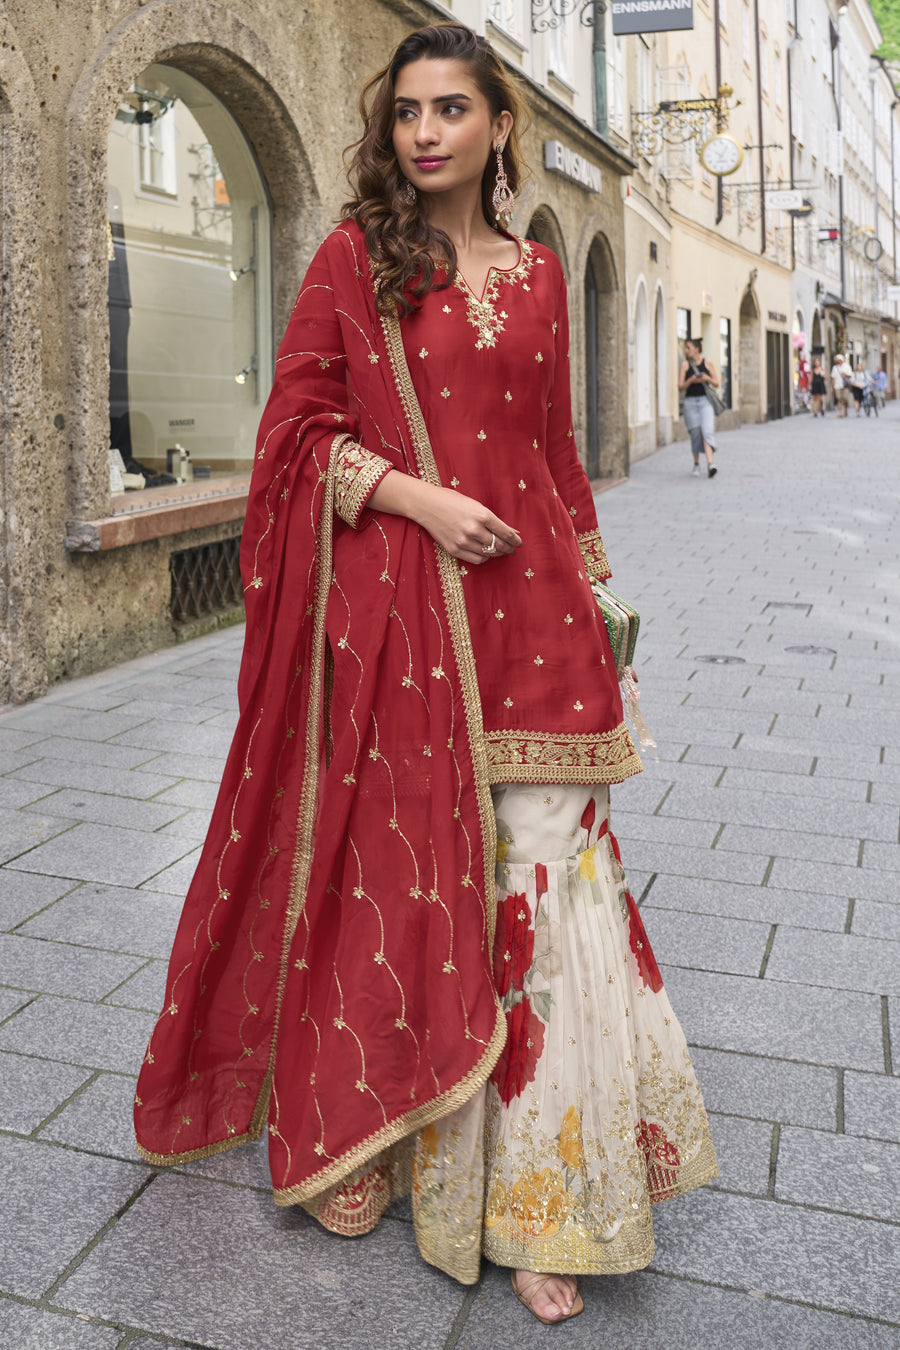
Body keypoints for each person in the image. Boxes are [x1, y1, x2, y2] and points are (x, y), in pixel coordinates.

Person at [134, 21, 717, 1326]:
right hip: (407, 628)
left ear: (502, 124)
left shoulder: (541, 275)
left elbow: (557, 459)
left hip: (542, 627)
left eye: (455, 107)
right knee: (403, 878)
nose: (429, 130)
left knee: (542, 910)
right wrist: (413, 497)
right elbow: (294, 440)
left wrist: (603, 593)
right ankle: (379, 1134)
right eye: (409, 111)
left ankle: (546, 1201)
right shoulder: (356, 263)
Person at [678, 337, 721, 477]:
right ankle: (696, 464)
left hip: (705, 402)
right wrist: (691, 380)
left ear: (696, 349)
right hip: (690, 403)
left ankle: (711, 464)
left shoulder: (707, 363)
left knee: (707, 431)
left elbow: (716, 383)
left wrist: (705, 378)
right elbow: (680, 387)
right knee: (695, 434)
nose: (686, 350)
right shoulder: (685, 365)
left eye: (688, 348)